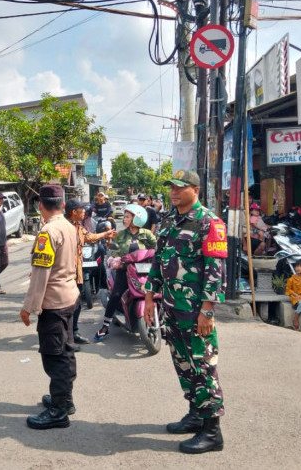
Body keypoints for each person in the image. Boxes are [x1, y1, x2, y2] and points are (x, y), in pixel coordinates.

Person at [144, 170, 226, 454]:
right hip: (170, 306)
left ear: (195, 190)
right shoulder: (168, 220)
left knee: (203, 366)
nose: (174, 192)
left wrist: (207, 310)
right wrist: (149, 296)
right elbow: (158, 260)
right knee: (183, 363)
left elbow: (215, 270)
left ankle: (212, 431)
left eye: (180, 187)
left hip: (195, 310)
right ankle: (195, 414)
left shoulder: (209, 222)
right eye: (171, 187)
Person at [20, 184, 79, 430]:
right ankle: (65, 400)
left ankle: (58, 411)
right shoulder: (68, 226)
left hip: (54, 302)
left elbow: (41, 273)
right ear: (63, 205)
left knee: (55, 356)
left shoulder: (48, 231)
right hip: (70, 296)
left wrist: (28, 307)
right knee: (65, 350)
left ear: (40, 206)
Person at [94, 204, 156, 341]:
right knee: (116, 295)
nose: (125, 219)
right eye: (125, 216)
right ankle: (105, 327)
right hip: (125, 270)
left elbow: (155, 248)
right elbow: (114, 251)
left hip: (144, 270)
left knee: (159, 292)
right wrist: (114, 258)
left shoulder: (147, 234)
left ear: (136, 219)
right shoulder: (120, 234)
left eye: (128, 217)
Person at [65, 198, 116, 345]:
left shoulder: (77, 225)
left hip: (77, 272)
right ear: (74, 212)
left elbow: (88, 237)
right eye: (82, 210)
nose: (85, 212)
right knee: (66, 307)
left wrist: (105, 235)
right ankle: (66, 339)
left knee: (76, 305)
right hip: (65, 274)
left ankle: (73, 333)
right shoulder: (63, 227)